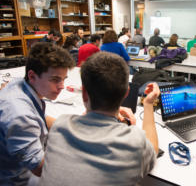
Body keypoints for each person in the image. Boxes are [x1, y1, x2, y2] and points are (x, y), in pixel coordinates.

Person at [40, 52, 159, 185]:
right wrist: (148, 104)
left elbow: (45, 118)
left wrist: (98, 109)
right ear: (126, 93)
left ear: (84, 93)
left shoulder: (60, 125)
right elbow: (153, 149)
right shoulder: (135, 142)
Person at [0, 42, 75, 185]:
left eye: (63, 79)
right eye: (55, 80)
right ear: (32, 76)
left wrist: (78, 126)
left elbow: (40, 117)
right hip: (19, 179)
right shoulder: (19, 114)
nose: (62, 86)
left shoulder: (20, 85)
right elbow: (40, 168)